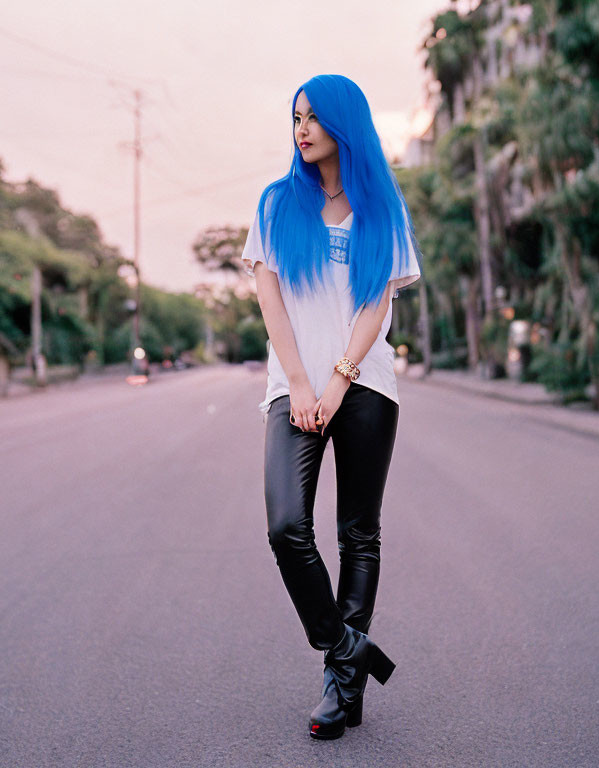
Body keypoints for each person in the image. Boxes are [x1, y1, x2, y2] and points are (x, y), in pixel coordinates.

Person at [239, 74, 421, 740]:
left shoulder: (382, 209)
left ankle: (341, 689)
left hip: (365, 386)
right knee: (287, 526)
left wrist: (339, 382)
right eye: (295, 117)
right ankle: (348, 649)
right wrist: (301, 382)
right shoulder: (275, 205)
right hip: (294, 386)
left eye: (314, 117)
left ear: (344, 122)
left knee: (357, 534)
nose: (302, 128)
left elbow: (377, 306)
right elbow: (270, 301)